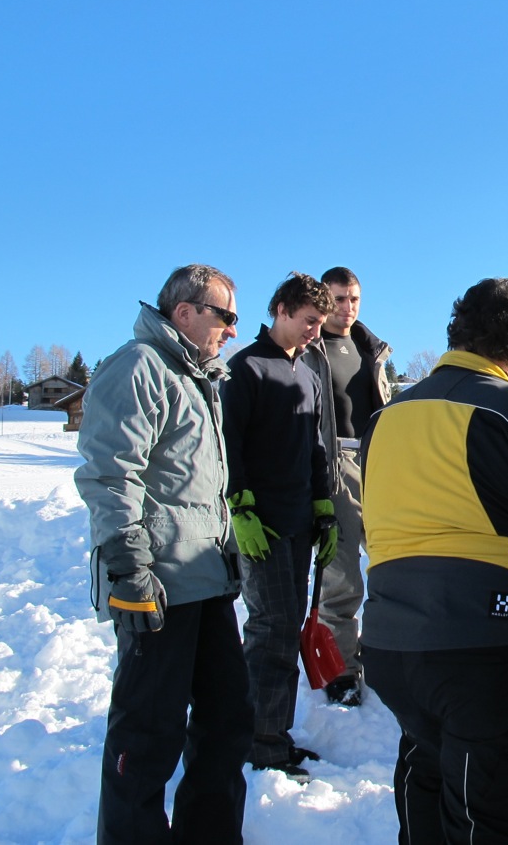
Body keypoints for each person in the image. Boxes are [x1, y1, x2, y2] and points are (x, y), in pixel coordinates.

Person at [359, 278, 508, 845]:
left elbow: (378, 531)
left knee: (424, 796)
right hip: (490, 656)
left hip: (394, 646)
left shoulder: (386, 419)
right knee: (484, 818)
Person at [75, 265, 253, 844]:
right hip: (155, 584)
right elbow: (109, 473)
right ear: (185, 312)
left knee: (228, 718)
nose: (233, 329)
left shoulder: (198, 379)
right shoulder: (139, 367)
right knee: (148, 732)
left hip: (205, 579)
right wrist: (129, 565)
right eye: (226, 316)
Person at [221, 272, 337, 781]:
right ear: (282, 310)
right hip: (261, 526)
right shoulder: (245, 369)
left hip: (298, 523)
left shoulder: (307, 375)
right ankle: (258, 742)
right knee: (270, 630)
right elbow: (228, 445)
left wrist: (324, 507)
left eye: (320, 324)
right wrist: (240, 508)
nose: (315, 331)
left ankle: (274, 734)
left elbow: (315, 447)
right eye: (309, 321)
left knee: (286, 630)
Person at [301, 266, 393, 707]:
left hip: (378, 462)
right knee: (340, 572)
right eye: (338, 299)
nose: (347, 307)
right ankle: (341, 670)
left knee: (393, 561)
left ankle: (388, 652)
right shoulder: (308, 349)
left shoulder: (371, 348)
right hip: (331, 462)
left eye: (354, 298)